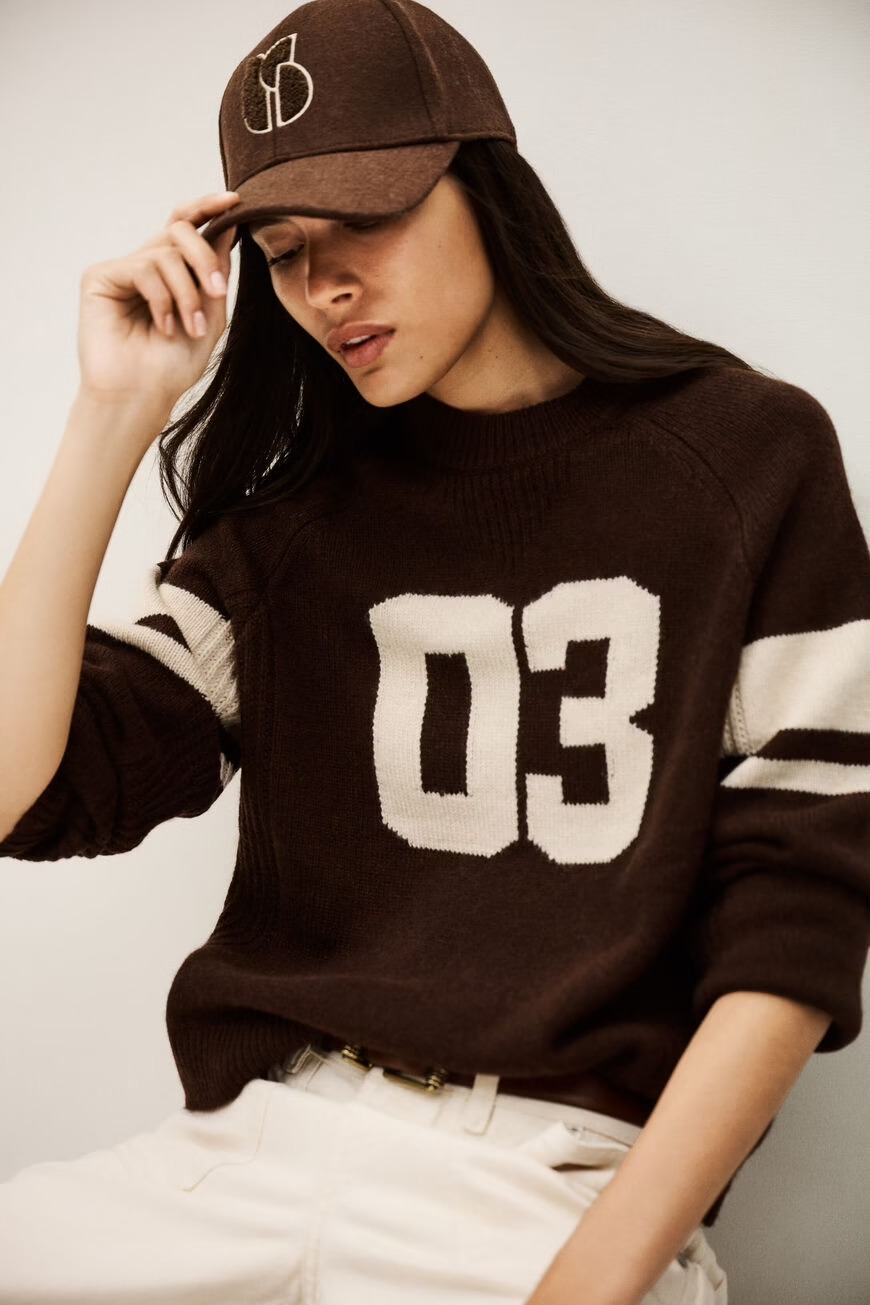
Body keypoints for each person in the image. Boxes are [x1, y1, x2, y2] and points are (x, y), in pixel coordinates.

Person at [0, 0, 867, 1301]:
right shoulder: (290, 533)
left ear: (485, 184)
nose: (324, 286)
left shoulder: (746, 460)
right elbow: (14, 791)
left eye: (364, 218)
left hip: (550, 1186)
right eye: (284, 251)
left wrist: (588, 1283)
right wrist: (111, 412)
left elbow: (798, 925)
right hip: (246, 1156)